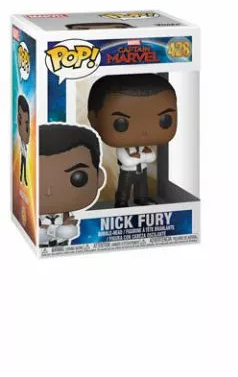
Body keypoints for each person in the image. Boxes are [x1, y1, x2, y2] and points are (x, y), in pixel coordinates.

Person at [88, 74, 177, 207]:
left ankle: (141, 199)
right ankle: (122, 201)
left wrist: (140, 157)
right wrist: (142, 157)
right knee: (124, 188)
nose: (143, 131)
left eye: (164, 121)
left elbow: (152, 157)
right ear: (94, 118)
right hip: (127, 172)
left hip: (142, 170)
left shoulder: (142, 147)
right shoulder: (123, 148)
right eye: (121, 124)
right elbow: (127, 161)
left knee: (142, 187)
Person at [39, 124, 105, 247]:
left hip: (62, 242)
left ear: (99, 178)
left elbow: (70, 226)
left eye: (78, 178)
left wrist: (68, 226)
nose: (49, 191)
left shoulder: (65, 215)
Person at [17, 95, 30, 186]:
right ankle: (22, 177)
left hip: (24, 143)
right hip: (23, 143)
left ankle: (23, 177)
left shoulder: (25, 120)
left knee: (24, 162)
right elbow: (21, 128)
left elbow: (27, 128)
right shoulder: (19, 118)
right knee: (23, 162)